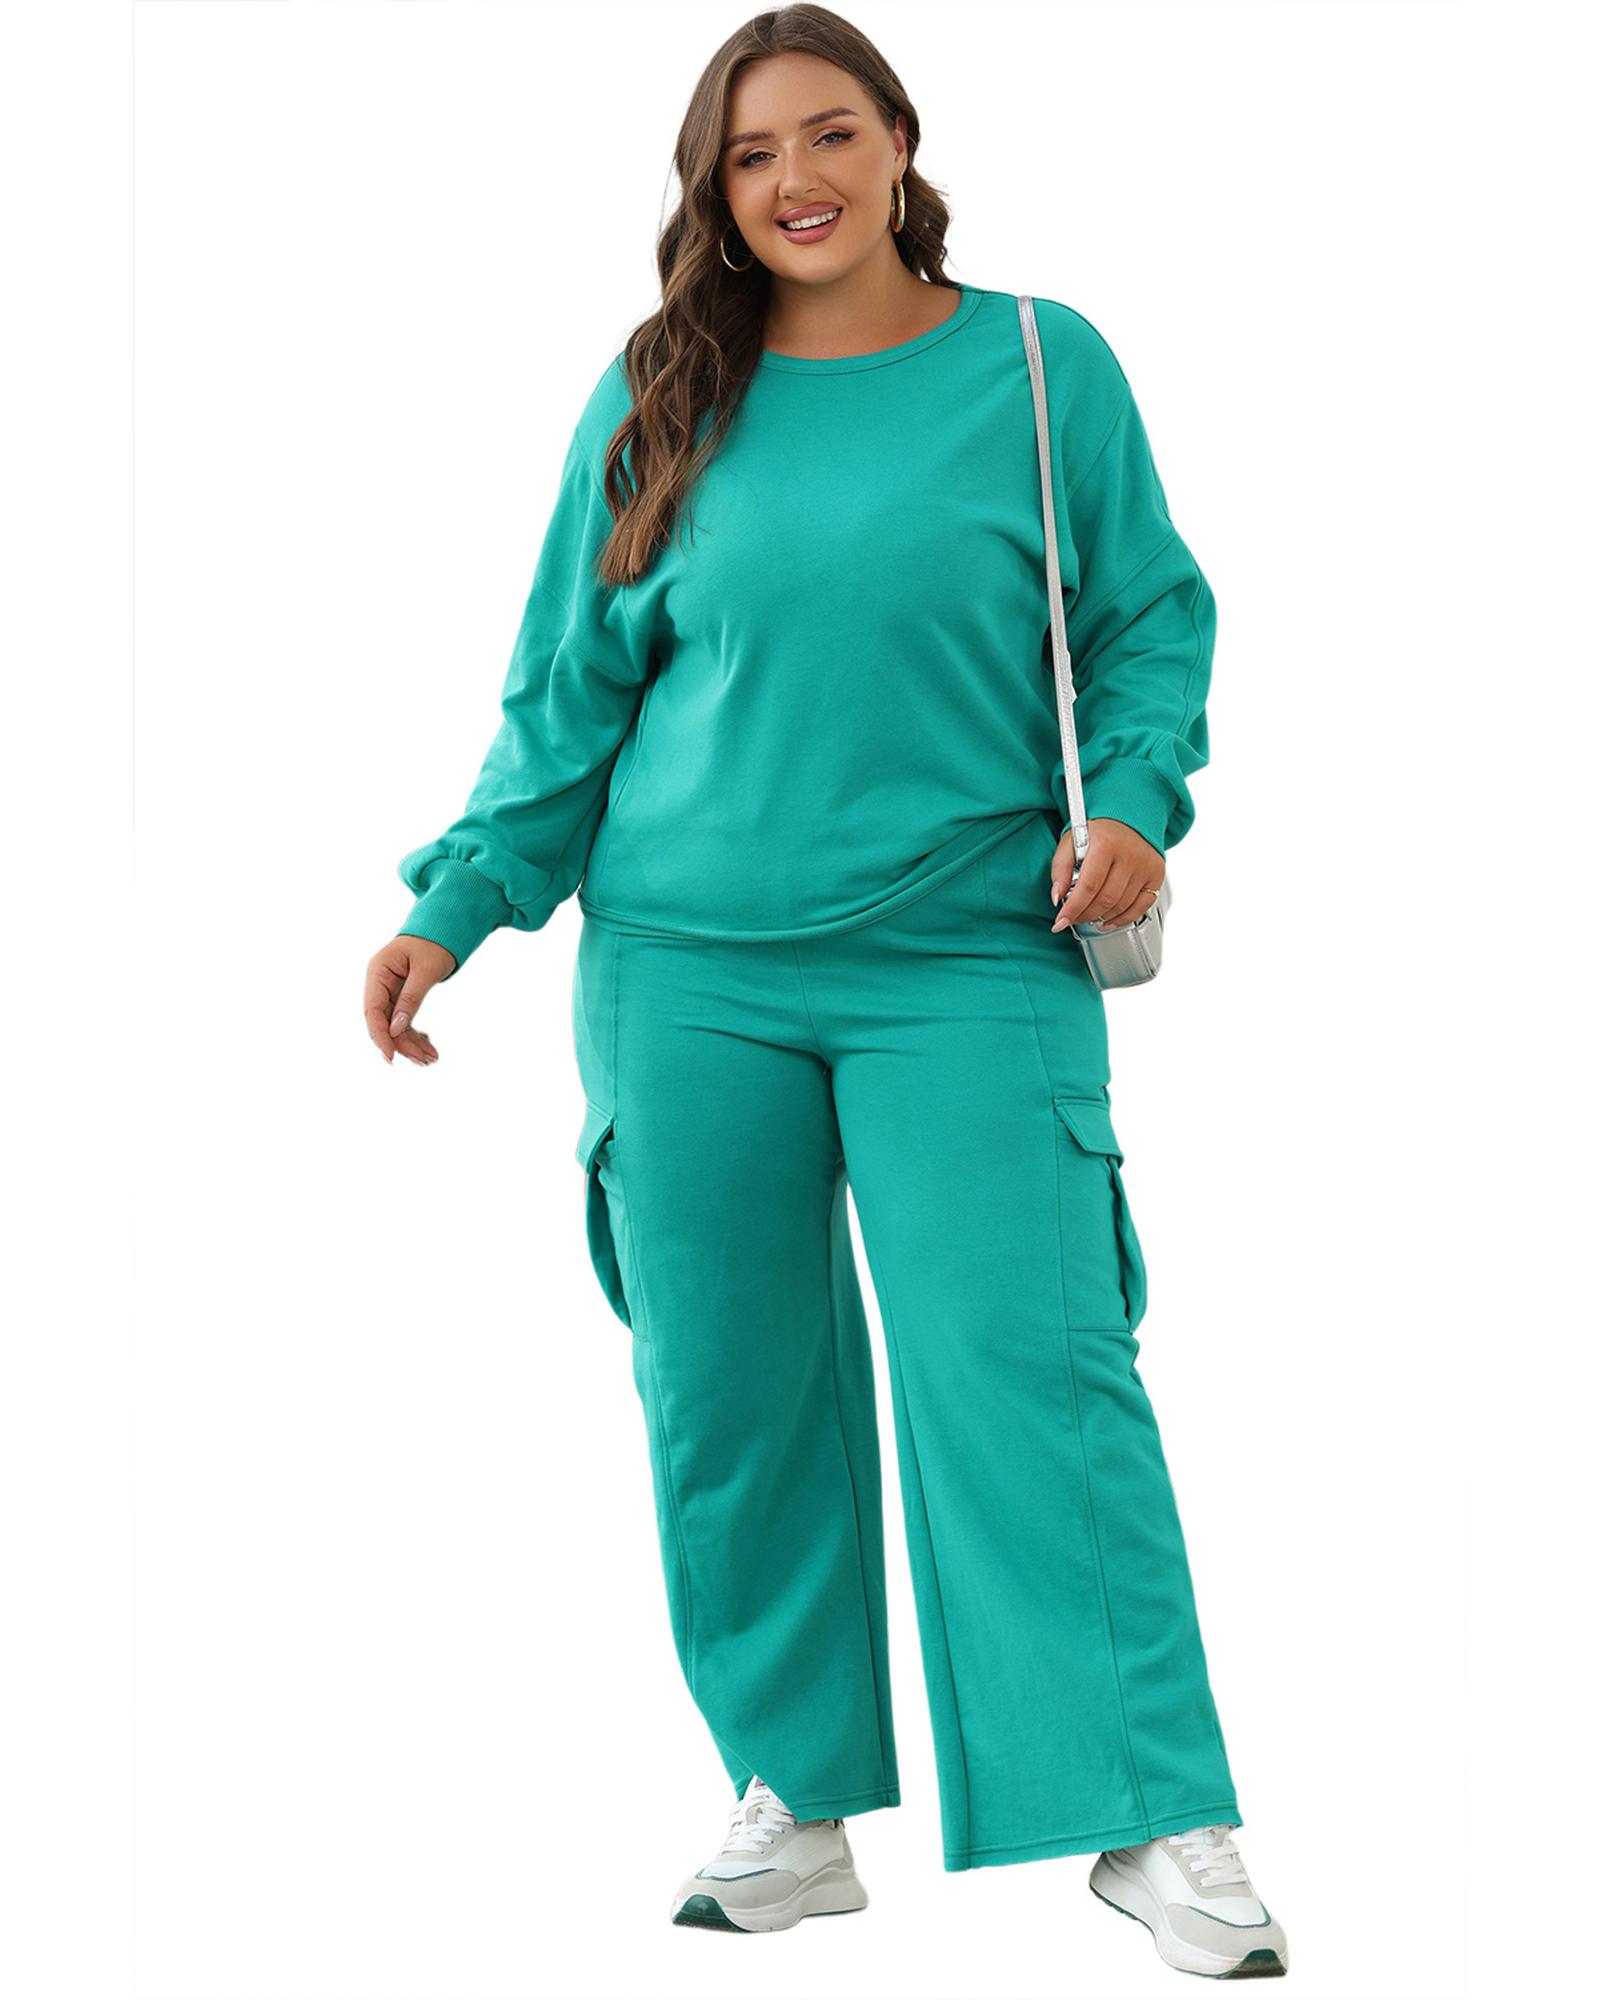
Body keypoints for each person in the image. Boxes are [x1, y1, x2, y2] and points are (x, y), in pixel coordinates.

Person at [363, 5, 1288, 1980]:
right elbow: (568, 693)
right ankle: (793, 1793)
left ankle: (1150, 1810)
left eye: (831, 133)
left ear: (896, 144)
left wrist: (1136, 805)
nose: (795, 178)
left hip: (968, 955)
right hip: (683, 972)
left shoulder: (1038, 363)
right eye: (751, 151)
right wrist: (458, 904)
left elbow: (1145, 618)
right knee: (727, 1392)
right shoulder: (661, 390)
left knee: (1036, 1377)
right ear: (712, 188)